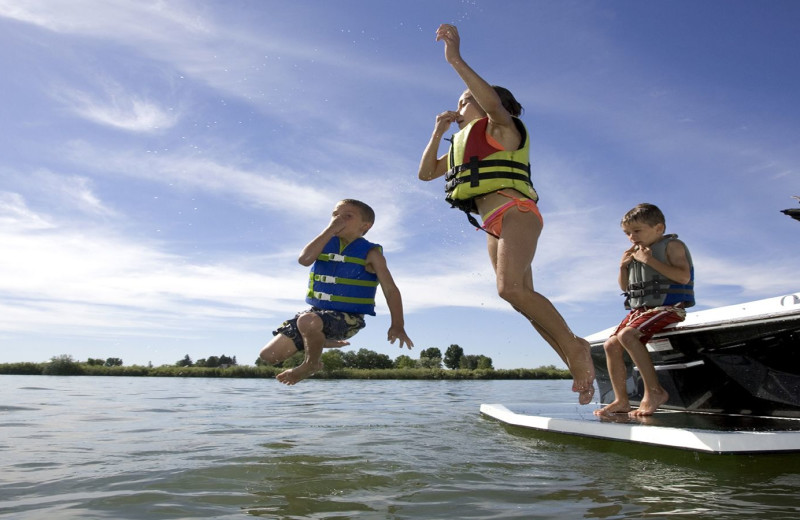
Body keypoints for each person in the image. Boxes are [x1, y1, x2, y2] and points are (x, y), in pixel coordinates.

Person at [417, 24, 595, 404]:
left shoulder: (502, 129)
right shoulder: (463, 146)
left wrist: (455, 60)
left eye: (467, 99)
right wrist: (438, 131)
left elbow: (492, 105)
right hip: (493, 225)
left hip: (516, 211)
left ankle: (576, 348)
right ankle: (573, 358)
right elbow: (426, 173)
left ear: (487, 101)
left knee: (509, 288)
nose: (460, 104)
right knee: (519, 297)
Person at [260, 199, 413, 385]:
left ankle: (311, 364)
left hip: (348, 319)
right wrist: (329, 231)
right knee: (269, 355)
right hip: (314, 316)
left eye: (347, 216)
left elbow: (391, 290)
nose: (338, 219)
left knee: (308, 321)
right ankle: (320, 340)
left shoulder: (371, 253)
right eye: (335, 215)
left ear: (365, 226)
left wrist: (398, 324)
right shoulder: (325, 242)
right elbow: (304, 259)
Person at [594, 203, 694, 416]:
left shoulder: (672, 246)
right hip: (640, 310)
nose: (631, 237)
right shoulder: (633, 253)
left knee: (628, 335)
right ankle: (621, 400)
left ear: (659, 228)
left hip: (669, 307)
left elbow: (683, 277)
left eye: (637, 231)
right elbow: (625, 288)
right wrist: (622, 267)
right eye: (627, 233)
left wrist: (649, 260)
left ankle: (655, 392)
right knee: (611, 345)